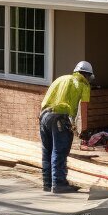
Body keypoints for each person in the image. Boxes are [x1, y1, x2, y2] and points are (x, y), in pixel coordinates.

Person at [39, 60, 93, 193]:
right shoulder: (83, 84)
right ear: (87, 75)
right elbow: (84, 108)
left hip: (44, 117)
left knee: (47, 151)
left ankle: (47, 183)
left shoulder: (60, 79)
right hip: (60, 118)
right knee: (59, 151)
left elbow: (46, 99)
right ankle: (59, 183)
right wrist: (84, 130)